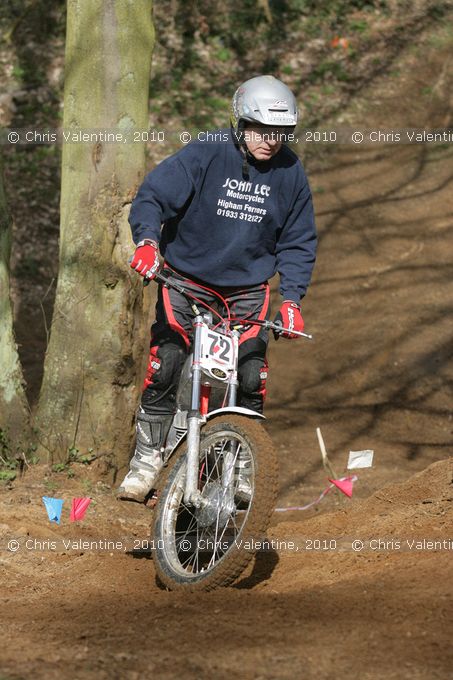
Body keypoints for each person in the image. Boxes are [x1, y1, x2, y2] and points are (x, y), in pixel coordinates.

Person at [117, 75, 317, 502]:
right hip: (185, 279)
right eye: (261, 130)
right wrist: (148, 242)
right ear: (239, 122)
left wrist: (293, 300)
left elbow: (298, 242)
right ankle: (147, 457)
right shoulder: (206, 152)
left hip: (247, 290)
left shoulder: (290, 172)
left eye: (280, 132)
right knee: (166, 361)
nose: (271, 141)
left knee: (251, 374)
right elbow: (153, 196)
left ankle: (244, 461)